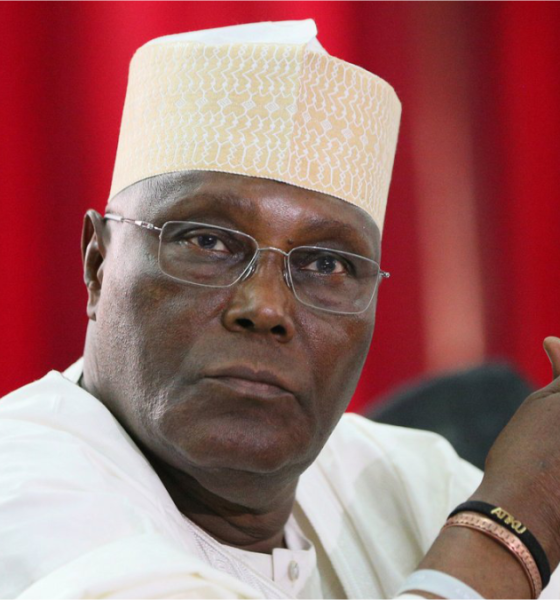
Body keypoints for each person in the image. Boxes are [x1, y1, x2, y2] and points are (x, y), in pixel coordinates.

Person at [1, 19, 560, 600]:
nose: (266, 307)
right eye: (208, 242)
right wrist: (513, 528)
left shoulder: (398, 479)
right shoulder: (22, 489)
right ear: (98, 265)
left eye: (326, 263)